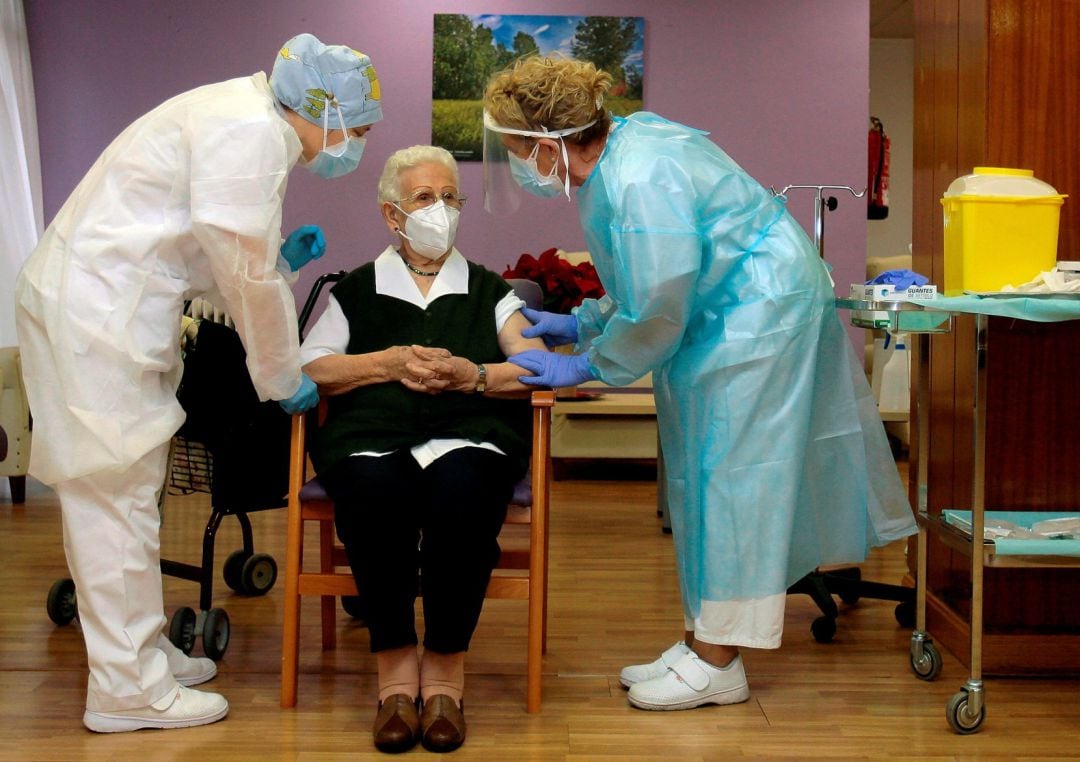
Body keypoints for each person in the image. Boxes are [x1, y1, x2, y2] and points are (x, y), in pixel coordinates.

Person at [482, 56, 917, 712]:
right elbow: (639, 276)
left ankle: (721, 662)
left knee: (733, 480)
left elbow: (660, 299)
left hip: (757, 317)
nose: (518, 163)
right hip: (725, 316)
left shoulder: (641, 172)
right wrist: (584, 321)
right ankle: (701, 641)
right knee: (697, 477)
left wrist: (591, 363)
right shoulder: (619, 159)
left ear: (549, 145)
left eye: (519, 151)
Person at [14, 33, 382, 732]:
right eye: (356, 131)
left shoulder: (238, 117)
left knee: (130, 497)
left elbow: (211, 249)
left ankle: (142, 653)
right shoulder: (249, 135)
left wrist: (275, 259)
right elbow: (240, 274)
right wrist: (284, 374)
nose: (352, 148)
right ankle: (128, 693)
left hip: (103, 311)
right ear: (324, 111)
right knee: (114, 498)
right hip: (95, 318)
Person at [299, 144, 545, 753]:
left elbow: (536, 366)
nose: (441, 209)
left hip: (471, 435)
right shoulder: (355, 291)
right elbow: (311, 367)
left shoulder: (490, 290)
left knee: (463, 495)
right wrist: (383, 363)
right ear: (392, 215)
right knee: (375, 494)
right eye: (424, 198)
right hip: (373, 438)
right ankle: (393, 679)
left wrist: (473, 376)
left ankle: (444, 679)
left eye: (449, 198)